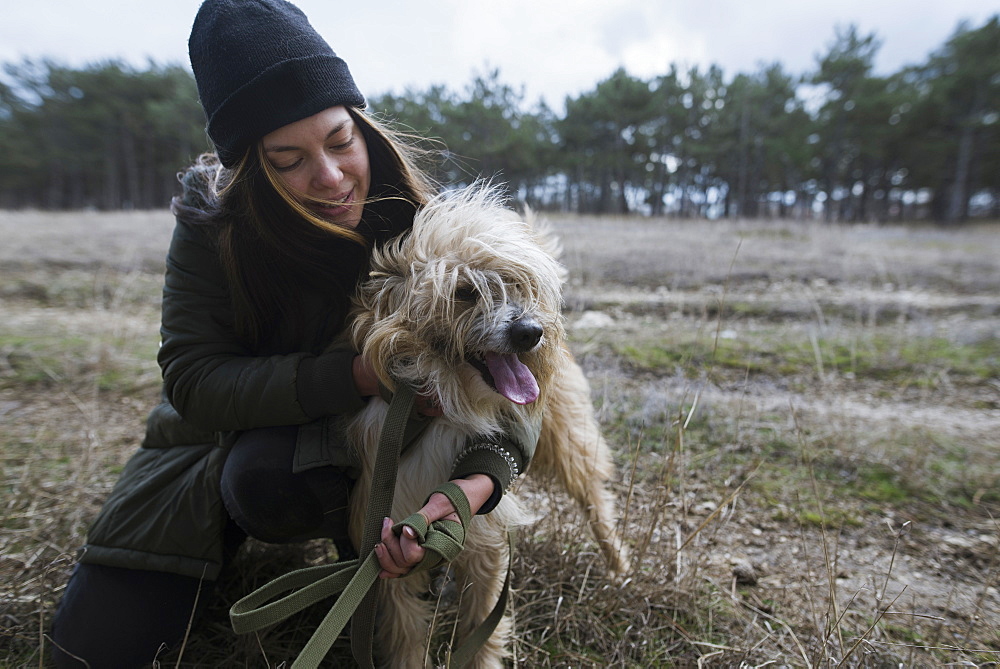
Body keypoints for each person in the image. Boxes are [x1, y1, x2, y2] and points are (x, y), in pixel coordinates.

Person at [49, 1, 537, 666]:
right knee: (88, 653)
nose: (331, 177)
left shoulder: (424, 226)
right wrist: (359, 375)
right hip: (212, 444)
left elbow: (519, 383)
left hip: (376, 456)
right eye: (288, 159)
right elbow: (194, 380)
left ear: (364, 128)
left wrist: (469, 490)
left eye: (340, 141)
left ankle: (369, 547)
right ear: (248, 169)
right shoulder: (210, 228)